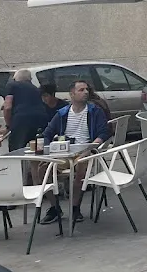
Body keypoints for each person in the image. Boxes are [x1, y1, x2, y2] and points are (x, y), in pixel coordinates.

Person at [38, 80, 109, 224]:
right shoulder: (62, 113)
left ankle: (75, 207)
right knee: (42, 169)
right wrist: (48, 149)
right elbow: (48, 133)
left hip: (86, 151)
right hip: (65, 152)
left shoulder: (94, 111)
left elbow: (104, 132)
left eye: (86, 89)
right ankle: (55, 207)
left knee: (80, 167)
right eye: (81, 90)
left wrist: (92, 146)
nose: (86, 92)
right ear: (72, 94)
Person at [2, 69, 49, 152]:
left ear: (15, 78)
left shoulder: (12, 85)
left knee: (17, 149)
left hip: (21, 119)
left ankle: (17, 164)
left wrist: (9, 125)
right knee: (36, 149)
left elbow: (7, 107)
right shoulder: (36, 89)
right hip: (41, 119)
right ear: (30, 79)